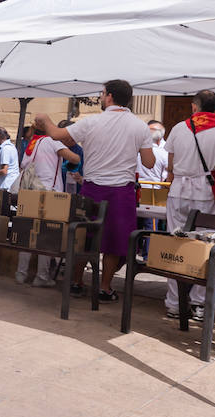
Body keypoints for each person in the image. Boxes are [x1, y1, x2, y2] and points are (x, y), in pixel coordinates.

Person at [34, 80, 154, 302]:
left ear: (109, 97)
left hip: (92, 189)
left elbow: (57, 135)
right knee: (116, 242)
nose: (100, 96)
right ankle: (105, 287)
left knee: (85, 237)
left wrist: (45, 120)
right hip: (122, 191)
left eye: (102, 93)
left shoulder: (92, 122)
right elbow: (149, 162)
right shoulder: (140, 126)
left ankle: (77, 282)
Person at [160, 90, 215, 321]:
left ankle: (174, 303)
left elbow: (171, 165)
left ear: (194, 107)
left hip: (179, 191)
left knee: (176, 244)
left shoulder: (179, 128)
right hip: (205, 191)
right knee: (206, 247)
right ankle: (198, 303)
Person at [15, 123, 81, 287]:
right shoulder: (52, 141)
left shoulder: (32, 142)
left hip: (29, 193)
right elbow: (75, 158)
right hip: (48, 193)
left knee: (26, 233)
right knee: (45, 235)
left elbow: (23, 165)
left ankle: (21, 274)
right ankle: (41, 276)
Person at [0, 126, 20, 193]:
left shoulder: (5, 149)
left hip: (7, 185)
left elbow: (4, 171)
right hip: (11, 184)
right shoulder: (11, 146)